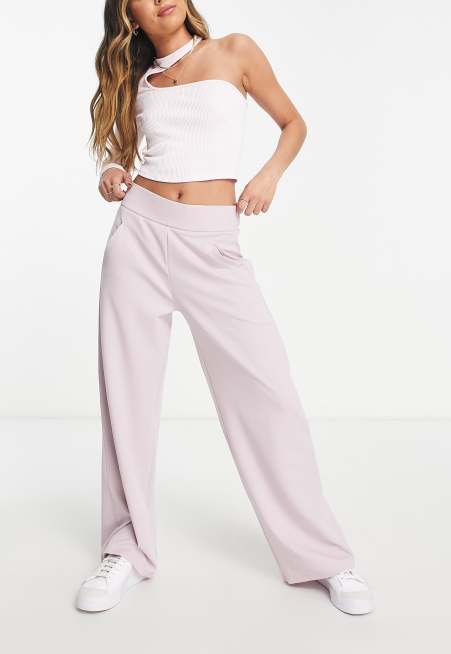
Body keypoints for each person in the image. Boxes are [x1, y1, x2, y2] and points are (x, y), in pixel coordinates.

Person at [76, 0, 374, 616]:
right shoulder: (138, 79)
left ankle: (322, 555)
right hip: (138, 234)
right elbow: (124, 152)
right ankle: (126, 548)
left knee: (267, 392)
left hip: (211, 240)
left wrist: (268, 176)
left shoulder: (234, 51)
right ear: (128, 15)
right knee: (125, 399)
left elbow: (293, 123)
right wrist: (113, 171)